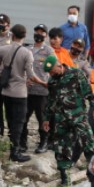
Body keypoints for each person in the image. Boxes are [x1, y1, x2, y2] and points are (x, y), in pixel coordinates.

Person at [42, 55, 94, 186]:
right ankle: (65, 179)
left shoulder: (76, 74)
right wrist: (46, 119)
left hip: (78, 116)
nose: (51, 74)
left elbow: (88, 93)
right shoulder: (52, 81)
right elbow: (51, 101)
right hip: (61, 119)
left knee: (89, 144)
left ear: (59, 65)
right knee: (61, 148)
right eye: (49, 73)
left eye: (52, 71)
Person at [0, 24, 34, 162]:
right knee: (19, 122)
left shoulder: (3, 49)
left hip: (6, 90)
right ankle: (15, 151)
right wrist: (43, 82)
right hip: (20, 92)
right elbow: (31, 74)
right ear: (24, 36)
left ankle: (11, 147)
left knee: (9, 119)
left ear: (12, 34)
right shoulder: (27, 53)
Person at [21, 25, 53, 154]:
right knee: (24, 118)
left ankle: (43, 142)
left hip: (42, 91)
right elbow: (22, 67)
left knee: (42, 119)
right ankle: (23, 144)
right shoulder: (27, 49)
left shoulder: (49, 51)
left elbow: (53, 70)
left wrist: (48, 83)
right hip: (27, 91)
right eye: (37, 32)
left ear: (46, 35)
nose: (39, 34)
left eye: (42, 32)